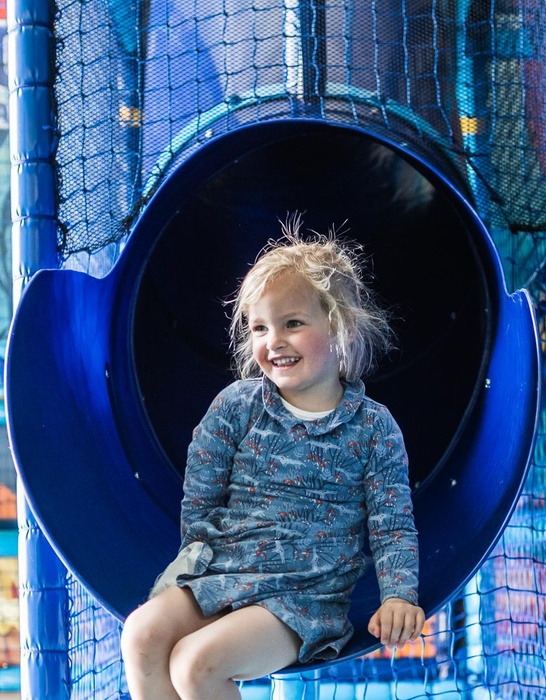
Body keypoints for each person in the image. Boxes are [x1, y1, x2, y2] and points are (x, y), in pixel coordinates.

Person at [120, 216, 424, 700]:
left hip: (302, 599)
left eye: (293, 324)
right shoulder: (238, 406)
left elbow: (392, 524)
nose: (273, 341)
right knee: (141, 635)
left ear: (338, 325)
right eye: (260, 327)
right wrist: (197, 560)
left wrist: (397, 595)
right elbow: (201, 490)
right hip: (223, 574)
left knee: (195, 665)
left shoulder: (372, 427)